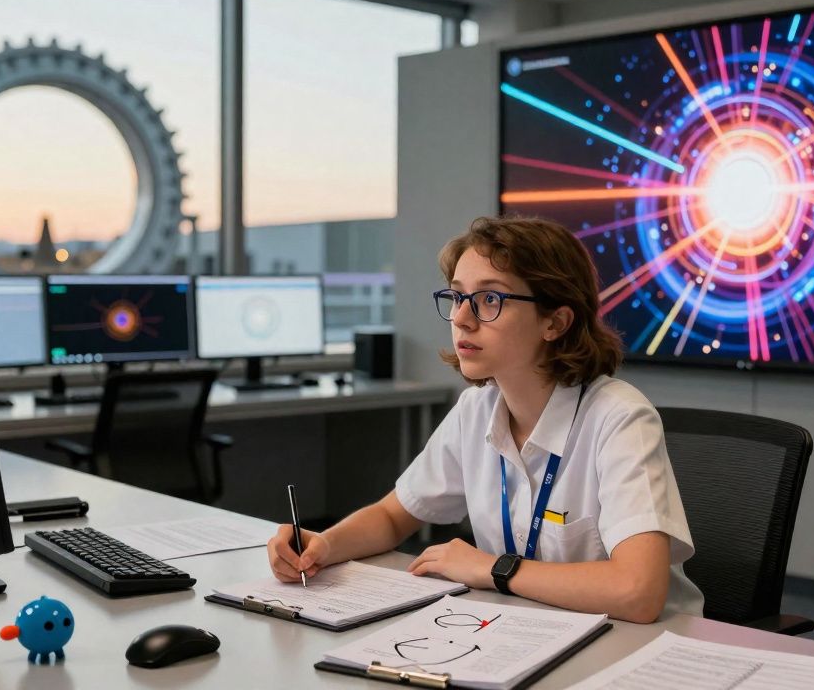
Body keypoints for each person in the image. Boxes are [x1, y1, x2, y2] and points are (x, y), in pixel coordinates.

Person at [267, 216, 702, 622]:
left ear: (555, 321)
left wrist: (493, 568)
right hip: (529, 630)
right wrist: (325, 545)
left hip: (644, 651)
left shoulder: (619, 418)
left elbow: (637, 592)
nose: (460, 318)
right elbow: (393, 516)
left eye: (489, 299)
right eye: (458, 296)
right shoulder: (476, 410)